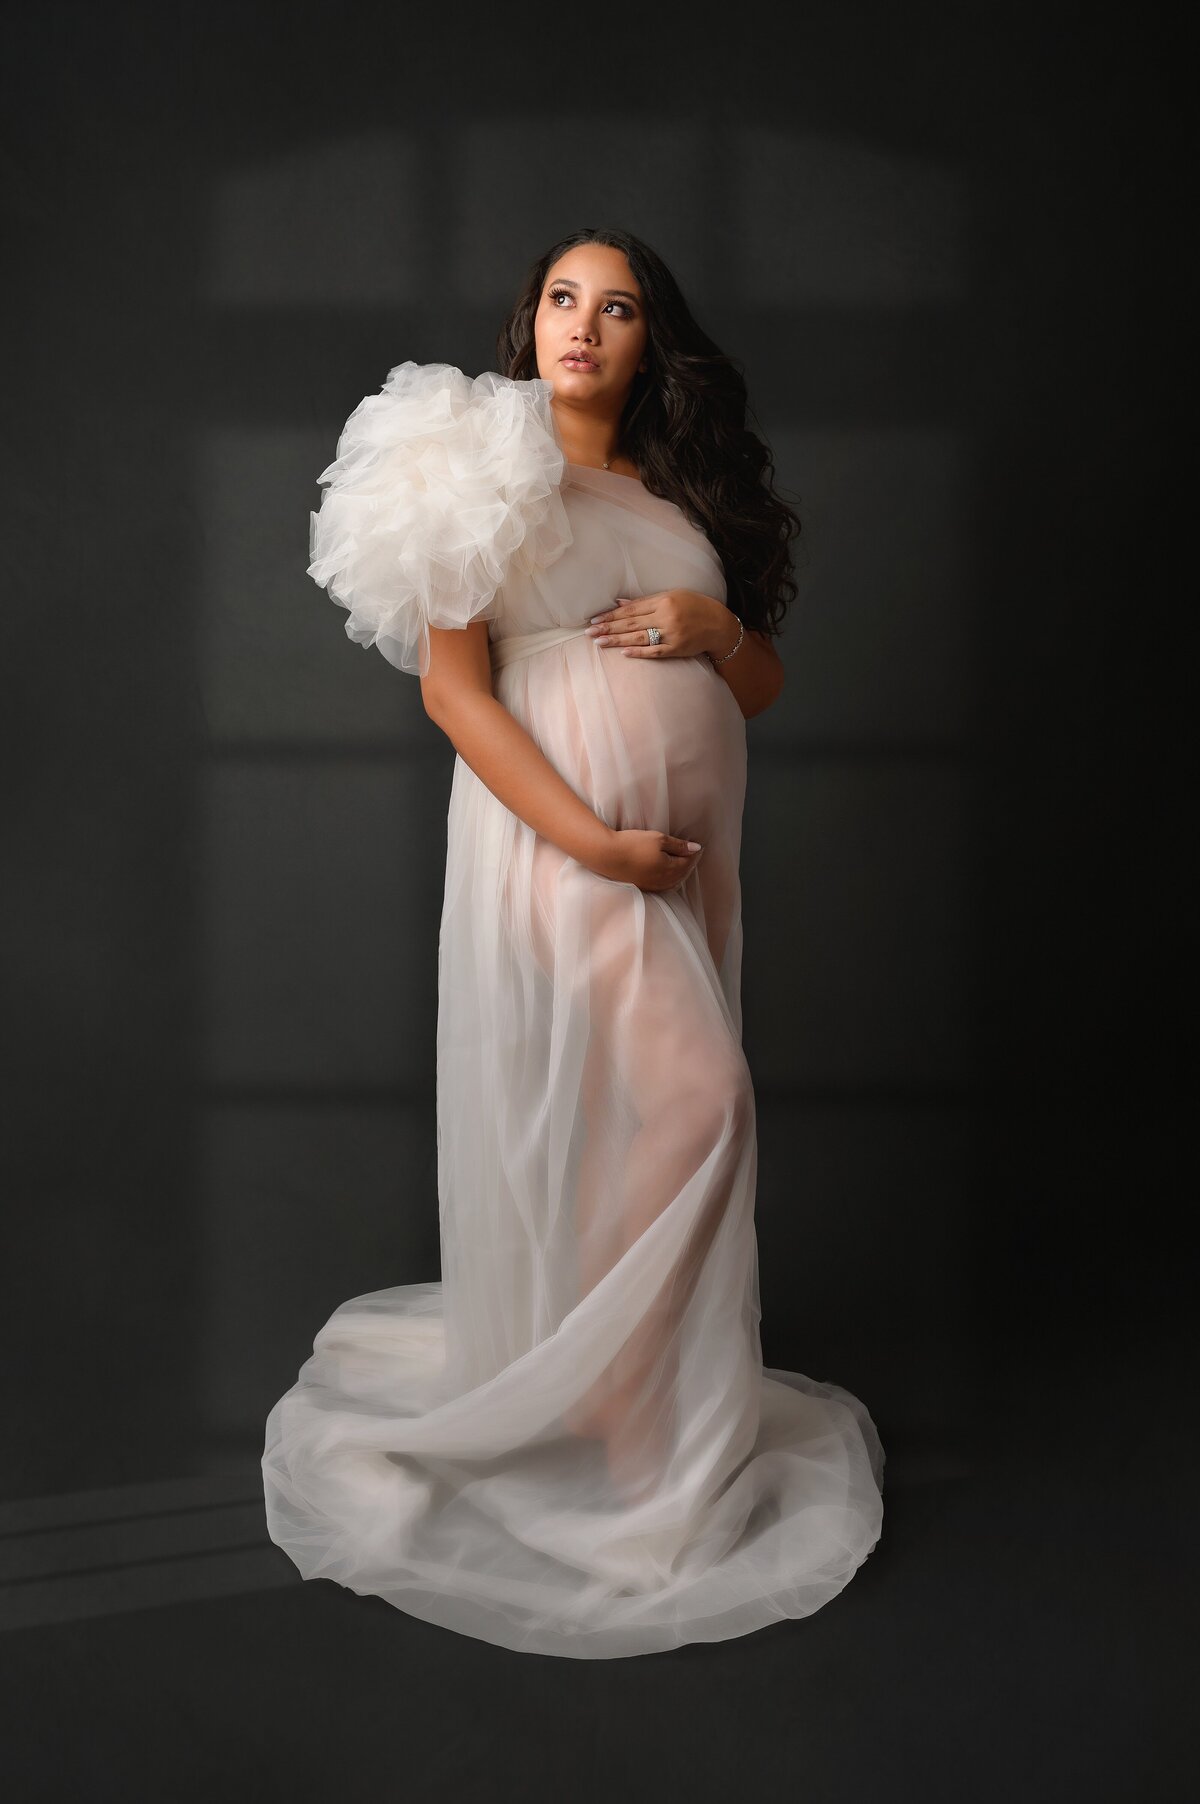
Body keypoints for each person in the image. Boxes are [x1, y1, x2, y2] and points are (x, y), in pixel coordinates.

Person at [262, 228, 885, 1659]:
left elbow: (765, 684)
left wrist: (714, 624)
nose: (585, 328)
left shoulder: (677, 490)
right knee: (700, 1103)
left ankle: (627, 1388)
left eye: (617, 309)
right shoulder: (476, 453)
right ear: (527, 319)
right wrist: (590, 839)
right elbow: (454, 696)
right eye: (562, 299)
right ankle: (604, 1410)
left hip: (688, 856)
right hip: (558, 841)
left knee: (641, 1120)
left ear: (651, 343)